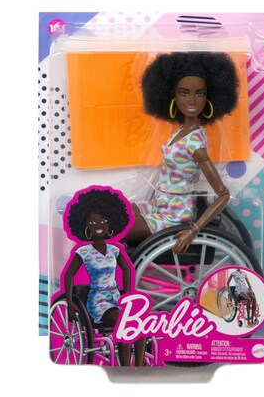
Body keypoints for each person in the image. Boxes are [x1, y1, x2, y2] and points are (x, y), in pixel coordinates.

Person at [121, 52, 239, 254]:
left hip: (174, 214)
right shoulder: (182, 132)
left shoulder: (196, 145)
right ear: (173, 96)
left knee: (117, 228)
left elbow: (223, 194)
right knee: (117, 212)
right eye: (184, 93)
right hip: (159, 204)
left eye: (199, 94)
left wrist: (193, 231)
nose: (192, 101)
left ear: (209, 98)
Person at [63, 186, 146, 366]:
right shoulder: (84, 251)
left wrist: (127, 295)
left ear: (110, 222)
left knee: (139, 327)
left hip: (116, 298)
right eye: (92, 222)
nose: (98, 225)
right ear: (85, 225)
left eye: (103, 221)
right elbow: (69, 275)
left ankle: (139, 369)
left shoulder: (115, 249)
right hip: (99, 302)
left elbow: (127, 270)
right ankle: (126, 370)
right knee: (125, 325)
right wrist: (69, 303)